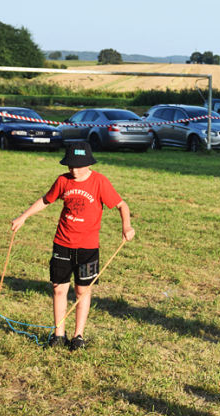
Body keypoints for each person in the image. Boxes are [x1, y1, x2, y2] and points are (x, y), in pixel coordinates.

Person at [11, 141, 135, 351]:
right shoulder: (63, 181)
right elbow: (45, 200)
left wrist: (127, 226)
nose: (73, 170)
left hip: (87, 248)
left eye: (77, 166)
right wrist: (23, 217)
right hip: (62, 243)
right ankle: (59, 334)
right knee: (59, 289)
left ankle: (78, 336)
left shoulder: (99, 182)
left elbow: (122, 205)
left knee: (82, 291)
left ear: (88, 163)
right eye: (70, 166)